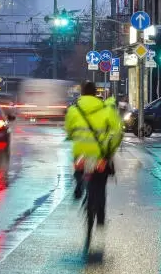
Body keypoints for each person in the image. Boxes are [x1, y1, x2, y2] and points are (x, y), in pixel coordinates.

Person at [64, 81, 123, 227]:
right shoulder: (106, 109)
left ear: (82, 93)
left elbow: (69, 130)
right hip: (100, 155)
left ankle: (79, 183)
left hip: (81, 154)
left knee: (78, 168)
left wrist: (73, 136)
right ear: (96, 94)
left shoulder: (73, 109)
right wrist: (110, 150)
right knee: (100, 184)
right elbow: (117, 133)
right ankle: (101, 217)